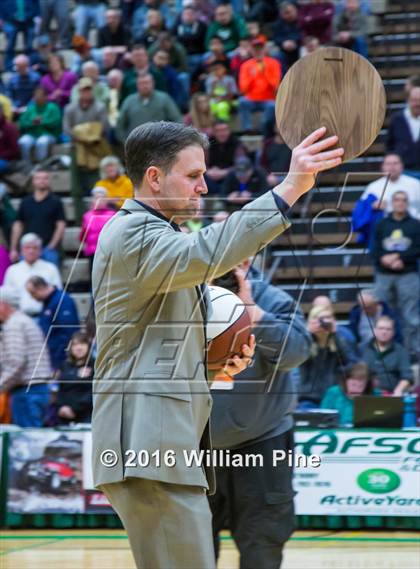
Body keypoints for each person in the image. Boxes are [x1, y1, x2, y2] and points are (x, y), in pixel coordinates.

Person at [91, 121, 343, 569]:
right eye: (192, 175)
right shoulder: (132, 233)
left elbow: (149, 347)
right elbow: (205, 253)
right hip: (148, 443)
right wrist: (289, 188)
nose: (204, 187)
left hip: (159, 443)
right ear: (154, 177)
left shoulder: (157, 239)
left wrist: (213, 365)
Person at [209, 262, 311, 569]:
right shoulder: (181, 294)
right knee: (185, 546)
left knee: (262, 545)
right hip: (194, 446)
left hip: (261, 442)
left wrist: (253, 312)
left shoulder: (273, 299)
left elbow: (296, 353)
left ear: (246, 260)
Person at [372, 191, 420, 359]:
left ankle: (412, 353)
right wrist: (385, 259)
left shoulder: (415, 225)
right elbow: (375, 248)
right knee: (383, 315)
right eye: (397, 200)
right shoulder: (382, 224)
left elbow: (417, 249)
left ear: (407, 203)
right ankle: (383, 352)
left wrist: (399, 257)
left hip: (408, 274)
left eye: (403, 200)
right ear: (393, 202)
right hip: (384, 275)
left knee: (411, 317)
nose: (400, 203)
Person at [0, 285, 52, 427]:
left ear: (4, 305)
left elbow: (15, 362)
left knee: (28, 443)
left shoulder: (14, 325)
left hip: (26, 392)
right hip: (37, 389)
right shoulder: (25, 321)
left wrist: (1, 384)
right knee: (34, 439)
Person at [295, 304, 359, 408]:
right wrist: (307, 334)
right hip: (308, 398)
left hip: (334, 396)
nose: (323, 322)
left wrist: (335, 334)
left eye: (327, 318)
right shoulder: (305, 341)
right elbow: (295, 357)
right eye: (319, 319)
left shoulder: (341, 340)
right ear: (311, 321)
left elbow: (354, 365)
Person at [353, 153, 420, 248]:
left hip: (413, 229)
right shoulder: (373, 187)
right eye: (388, 164)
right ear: (383, 167)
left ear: (402, 166)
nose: (392, 167)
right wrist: (372, 206)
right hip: (385, 231)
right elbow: (361, 209)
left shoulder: (415, 184)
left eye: (395, 163)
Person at [63, 77, 109, 204]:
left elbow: (103, 127)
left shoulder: (100, 107)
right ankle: (79, 219)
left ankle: (99, 215)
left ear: (92, 91)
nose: (86, 93)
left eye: (88, 90)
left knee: (97, 182)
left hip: (95, 146)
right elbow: (66, 128)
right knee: (76, 185)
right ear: (79, 92)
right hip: (77, 147)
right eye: (83, 90)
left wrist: (82, 133)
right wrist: (86, 134)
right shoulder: (70, 108)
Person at [10, 170, 66, 266]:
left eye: (45, 178)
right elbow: (18, 225)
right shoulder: (25, 202)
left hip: (48, 250)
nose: (42, 180)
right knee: (26, 280)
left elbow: (61, 225)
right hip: (28, 249)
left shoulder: (56, 202)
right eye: (38, 178)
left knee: (49, 280)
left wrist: (51, 246)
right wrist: (13, 249)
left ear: (49, 181)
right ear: (33, 181)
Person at [26, 276, 80, 371]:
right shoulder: (48, 302)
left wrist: (62, 359)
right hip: (52, 355)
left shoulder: (62, 301)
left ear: (41, 288)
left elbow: (69, 331)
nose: (32, 297)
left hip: (62, 358)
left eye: (33, 293)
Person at [4, 233, 62, 316]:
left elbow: (57, 294)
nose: (31, 251)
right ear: (21, 250)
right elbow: (7, 297)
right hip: (20, 317)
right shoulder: (12, 270)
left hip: (45, 316)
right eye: (27, 247)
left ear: (40, 250)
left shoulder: (51, 268)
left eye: (35, 248)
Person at [116, 73, 182, 143]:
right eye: (141, 83)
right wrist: (126, 142)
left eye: (147, 83)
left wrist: (171, 140)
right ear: (137, 85)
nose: (144, 86)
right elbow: (120, 124)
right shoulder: (129, 101)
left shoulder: (164, 98)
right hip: (135, 144)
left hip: (160, 144)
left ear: (153, 83)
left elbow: (177, 119)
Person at [238, 38, 281, 136]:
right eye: (255, 49)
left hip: (268, 99)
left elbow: (276, 86)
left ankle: (264, 129)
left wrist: (265, 72)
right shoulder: (245, 65)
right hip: (251, 99)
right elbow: (243, 89)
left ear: (264, 50)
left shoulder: (273, 63)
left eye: (260, 48)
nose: (258, 51)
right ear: (251, 51)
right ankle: (248, 129)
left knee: (272, 106)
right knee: (242, 102)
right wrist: (252, 77)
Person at [361, 316, 414, 395]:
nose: (384, 332)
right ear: (374, 330)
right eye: (381, 328)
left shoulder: (400, 351)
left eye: (388, 329)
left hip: (391, 393)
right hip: (367, 393)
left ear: (393, 332)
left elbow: (407, 377)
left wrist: (398, 391)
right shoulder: (363, 348)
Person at [320, 361, 380, 426]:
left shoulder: (375, 394)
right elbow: (322, 419)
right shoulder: (333, 392)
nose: (356, 386)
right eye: (353, 383)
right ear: (345, 381)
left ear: (367, 384)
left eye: (360, 383)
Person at [56, 332, 94, 424]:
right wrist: (61, 407)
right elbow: (60, 390)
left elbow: (92, 393)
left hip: (87, 416)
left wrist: (73, 408)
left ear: (88, 346)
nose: (79, 348)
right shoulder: (65, 365)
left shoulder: (95, 365)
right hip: (64, 416)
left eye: (82, 344)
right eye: (75, 345)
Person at [18, 86, 62, 166]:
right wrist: (32, 122)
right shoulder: (30, 108)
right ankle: (27, 166)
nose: (37, 97)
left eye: (39, 95)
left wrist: (41, 122)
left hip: (48, 134)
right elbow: (22, 122)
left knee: (41, 142)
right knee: (23, 141)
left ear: (45, 97)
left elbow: (56, 122)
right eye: (35, 95)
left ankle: (41, 166)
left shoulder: (53, 107)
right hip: (32, 134)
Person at [80, 186, 116, 272]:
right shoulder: (87, 216)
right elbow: (83, 237)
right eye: (96, 198)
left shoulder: (113, 215)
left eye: (102, 198)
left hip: (108, 252)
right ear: (92, 200)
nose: (99, 201)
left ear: (107, 200)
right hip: (92, 252)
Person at [386, 86, 420, 175]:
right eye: (414, 100)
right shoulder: (397, 119)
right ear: (408, 100)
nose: (417, 103)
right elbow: (390, 144)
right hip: (403, 171)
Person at [206, 120, 246, 195]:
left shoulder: (237, 143)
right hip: (211, 176)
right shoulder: (208, 143)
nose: (222, 133)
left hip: (229, 176)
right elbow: (202, 163)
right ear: (214, 132)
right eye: (219, 131)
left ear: (229, 131)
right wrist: (208, 171)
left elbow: (241, 165)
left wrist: (224, 172)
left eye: (224, 130)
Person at [0, 0, 39, 70]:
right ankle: (9, 67)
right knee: (10, 45)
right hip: (10, 20)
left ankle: (30, 66)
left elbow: (36, 4)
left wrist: (37, 17)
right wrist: (2, 18)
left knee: (29, 45)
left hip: (29, 20)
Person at [272, 2, 301, 70]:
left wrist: (295, 41)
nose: (289, 15)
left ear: (295, 10)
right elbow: (275, 38)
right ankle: (284, 79)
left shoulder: (302, 20)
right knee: (276, 55)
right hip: (284, 51)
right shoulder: (278, 24)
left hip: (299, 47)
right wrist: (283, 43)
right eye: (285, 13)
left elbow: (305, 34)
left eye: (290, 12)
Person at [0, 104, 20, 175]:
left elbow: (14, 150)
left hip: (6, 160)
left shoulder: (10, 128)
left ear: (1, 112)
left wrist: (1, 155)